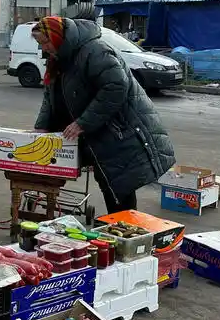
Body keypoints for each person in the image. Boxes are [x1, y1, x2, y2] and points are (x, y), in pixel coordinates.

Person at [32, 16, 174, 213]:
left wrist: (83, 123)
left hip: (120, 132)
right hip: (98, 134)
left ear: (57, 36)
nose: (43, 48)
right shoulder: (59, 59)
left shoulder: (94, 50)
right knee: (109, 184)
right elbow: (50, 95)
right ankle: (117, 227)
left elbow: (115, 87)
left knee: (119, 186)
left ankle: (122, 232)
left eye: (45, 42)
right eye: (40, 44)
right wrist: (42, 126)